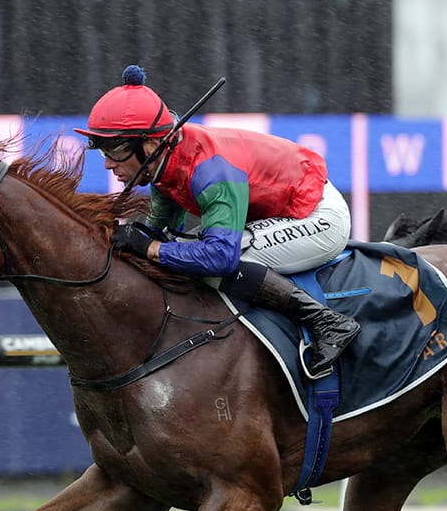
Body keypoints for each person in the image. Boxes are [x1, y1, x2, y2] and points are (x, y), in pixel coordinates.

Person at [74, 65, 360, 380]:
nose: (108, 163)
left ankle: (329, 322)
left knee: (223, 262)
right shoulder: (162, 166)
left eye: (115, 149)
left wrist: (151, 247)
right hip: (280, 211)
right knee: (182, 252)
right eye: (102, 149)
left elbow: (221, 257)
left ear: (150, 144)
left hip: (317, 215)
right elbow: (159, 235)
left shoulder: (209, 170)